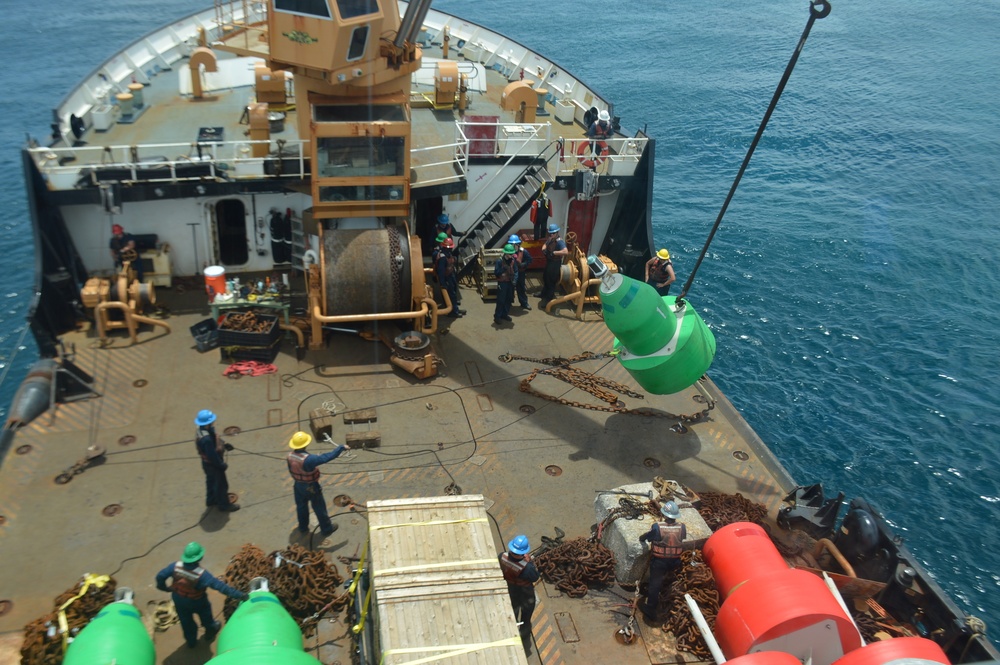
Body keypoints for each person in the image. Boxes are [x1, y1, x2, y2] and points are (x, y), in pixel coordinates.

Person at [155, 541, 248, 648]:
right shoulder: (202, 575)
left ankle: (191, 642)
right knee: (206, 618)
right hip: (197, 602)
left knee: (186, 622)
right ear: (199, 558)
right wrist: (240, 595)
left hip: (178, 599)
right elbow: (221, 587)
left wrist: (165, 588)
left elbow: (160, 576)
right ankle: (210, 632)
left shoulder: (175, 567)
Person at [286, 431, 350, 537]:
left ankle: (303, 527)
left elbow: (291, 470)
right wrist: (341, 447)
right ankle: (326, 529)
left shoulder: (290, 456)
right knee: (319, 507)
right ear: (305, 444)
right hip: (310, 486)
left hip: (298, 485)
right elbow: (326, 457)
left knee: (301, 507)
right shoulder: (309, 460)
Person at [638, 501, 688, 621]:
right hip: (675, 561)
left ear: (665, 514)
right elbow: (682, 538)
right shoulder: (682, 527)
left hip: (660, 562)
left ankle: (650, 609)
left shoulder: (657, 527)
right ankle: (668, 599)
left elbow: (649, 537)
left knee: (654, 585)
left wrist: (642, 538)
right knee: (669, 581)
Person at [499, 534, 540, 656]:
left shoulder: (502, 556)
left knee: (513, 612)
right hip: (525, 593)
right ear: (523, 552)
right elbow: (534, 577)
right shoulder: (526, 567)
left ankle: (512, 630)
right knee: (526, 618)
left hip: (510, 590)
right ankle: (524, 636)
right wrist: (530, 562)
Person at [195, 409, 239, 512]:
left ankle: (211, 500)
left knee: (211, 481)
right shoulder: (206, 440)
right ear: (208, 423)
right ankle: (224, 505)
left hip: (206, 464)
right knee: (221, 485)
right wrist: (221, 465)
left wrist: (224, 444)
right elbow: (212, 455)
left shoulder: (201, 430)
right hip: (213, 465)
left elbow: (215, 438)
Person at [539, 223, 568, 305]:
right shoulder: (550, 239)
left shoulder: (560, 242)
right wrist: (544, 249)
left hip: (555, 264)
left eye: (553, 233)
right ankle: (543, 294)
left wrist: (555, 253)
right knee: (545, 278)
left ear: (557, 233)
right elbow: (545, 244)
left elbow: (565, 251)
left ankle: (548, 299)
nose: (551, 234)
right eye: (550, 233)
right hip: (549, 262)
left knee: (551, 282)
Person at [436, 237, 465, 317]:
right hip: (447, 278)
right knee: (451, 294)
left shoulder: (448, 254)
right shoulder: (442, 258)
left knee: (454, 293)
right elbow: (441, 272)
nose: (450, 250)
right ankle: (453, 312)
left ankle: (456, 308)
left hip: (451, 275)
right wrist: (443, 283)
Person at [493, 244, 518, 326]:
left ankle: (504, 314)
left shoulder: (513, 261)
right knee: (501, 300)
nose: (512, 255)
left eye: (512, 254)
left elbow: (516, 271)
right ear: (506, 253)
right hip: (502, 283)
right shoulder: (499, 261)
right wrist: (503, 269)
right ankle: (497, 316)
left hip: (510, 283)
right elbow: (496, 273)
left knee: (508, 299)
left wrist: (515, 280)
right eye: (510, 254)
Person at [509, 234, 532, 309]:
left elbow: (530, 260)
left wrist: (523, 264)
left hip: (520, 272)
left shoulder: (523, 251)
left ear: (518, 244)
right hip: (511, 273)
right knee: (510, 288)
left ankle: (524, 303)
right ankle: (509, 303)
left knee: (521, 288)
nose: (513, 246)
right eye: (511, 244)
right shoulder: (508, 251)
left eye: (514, 244)